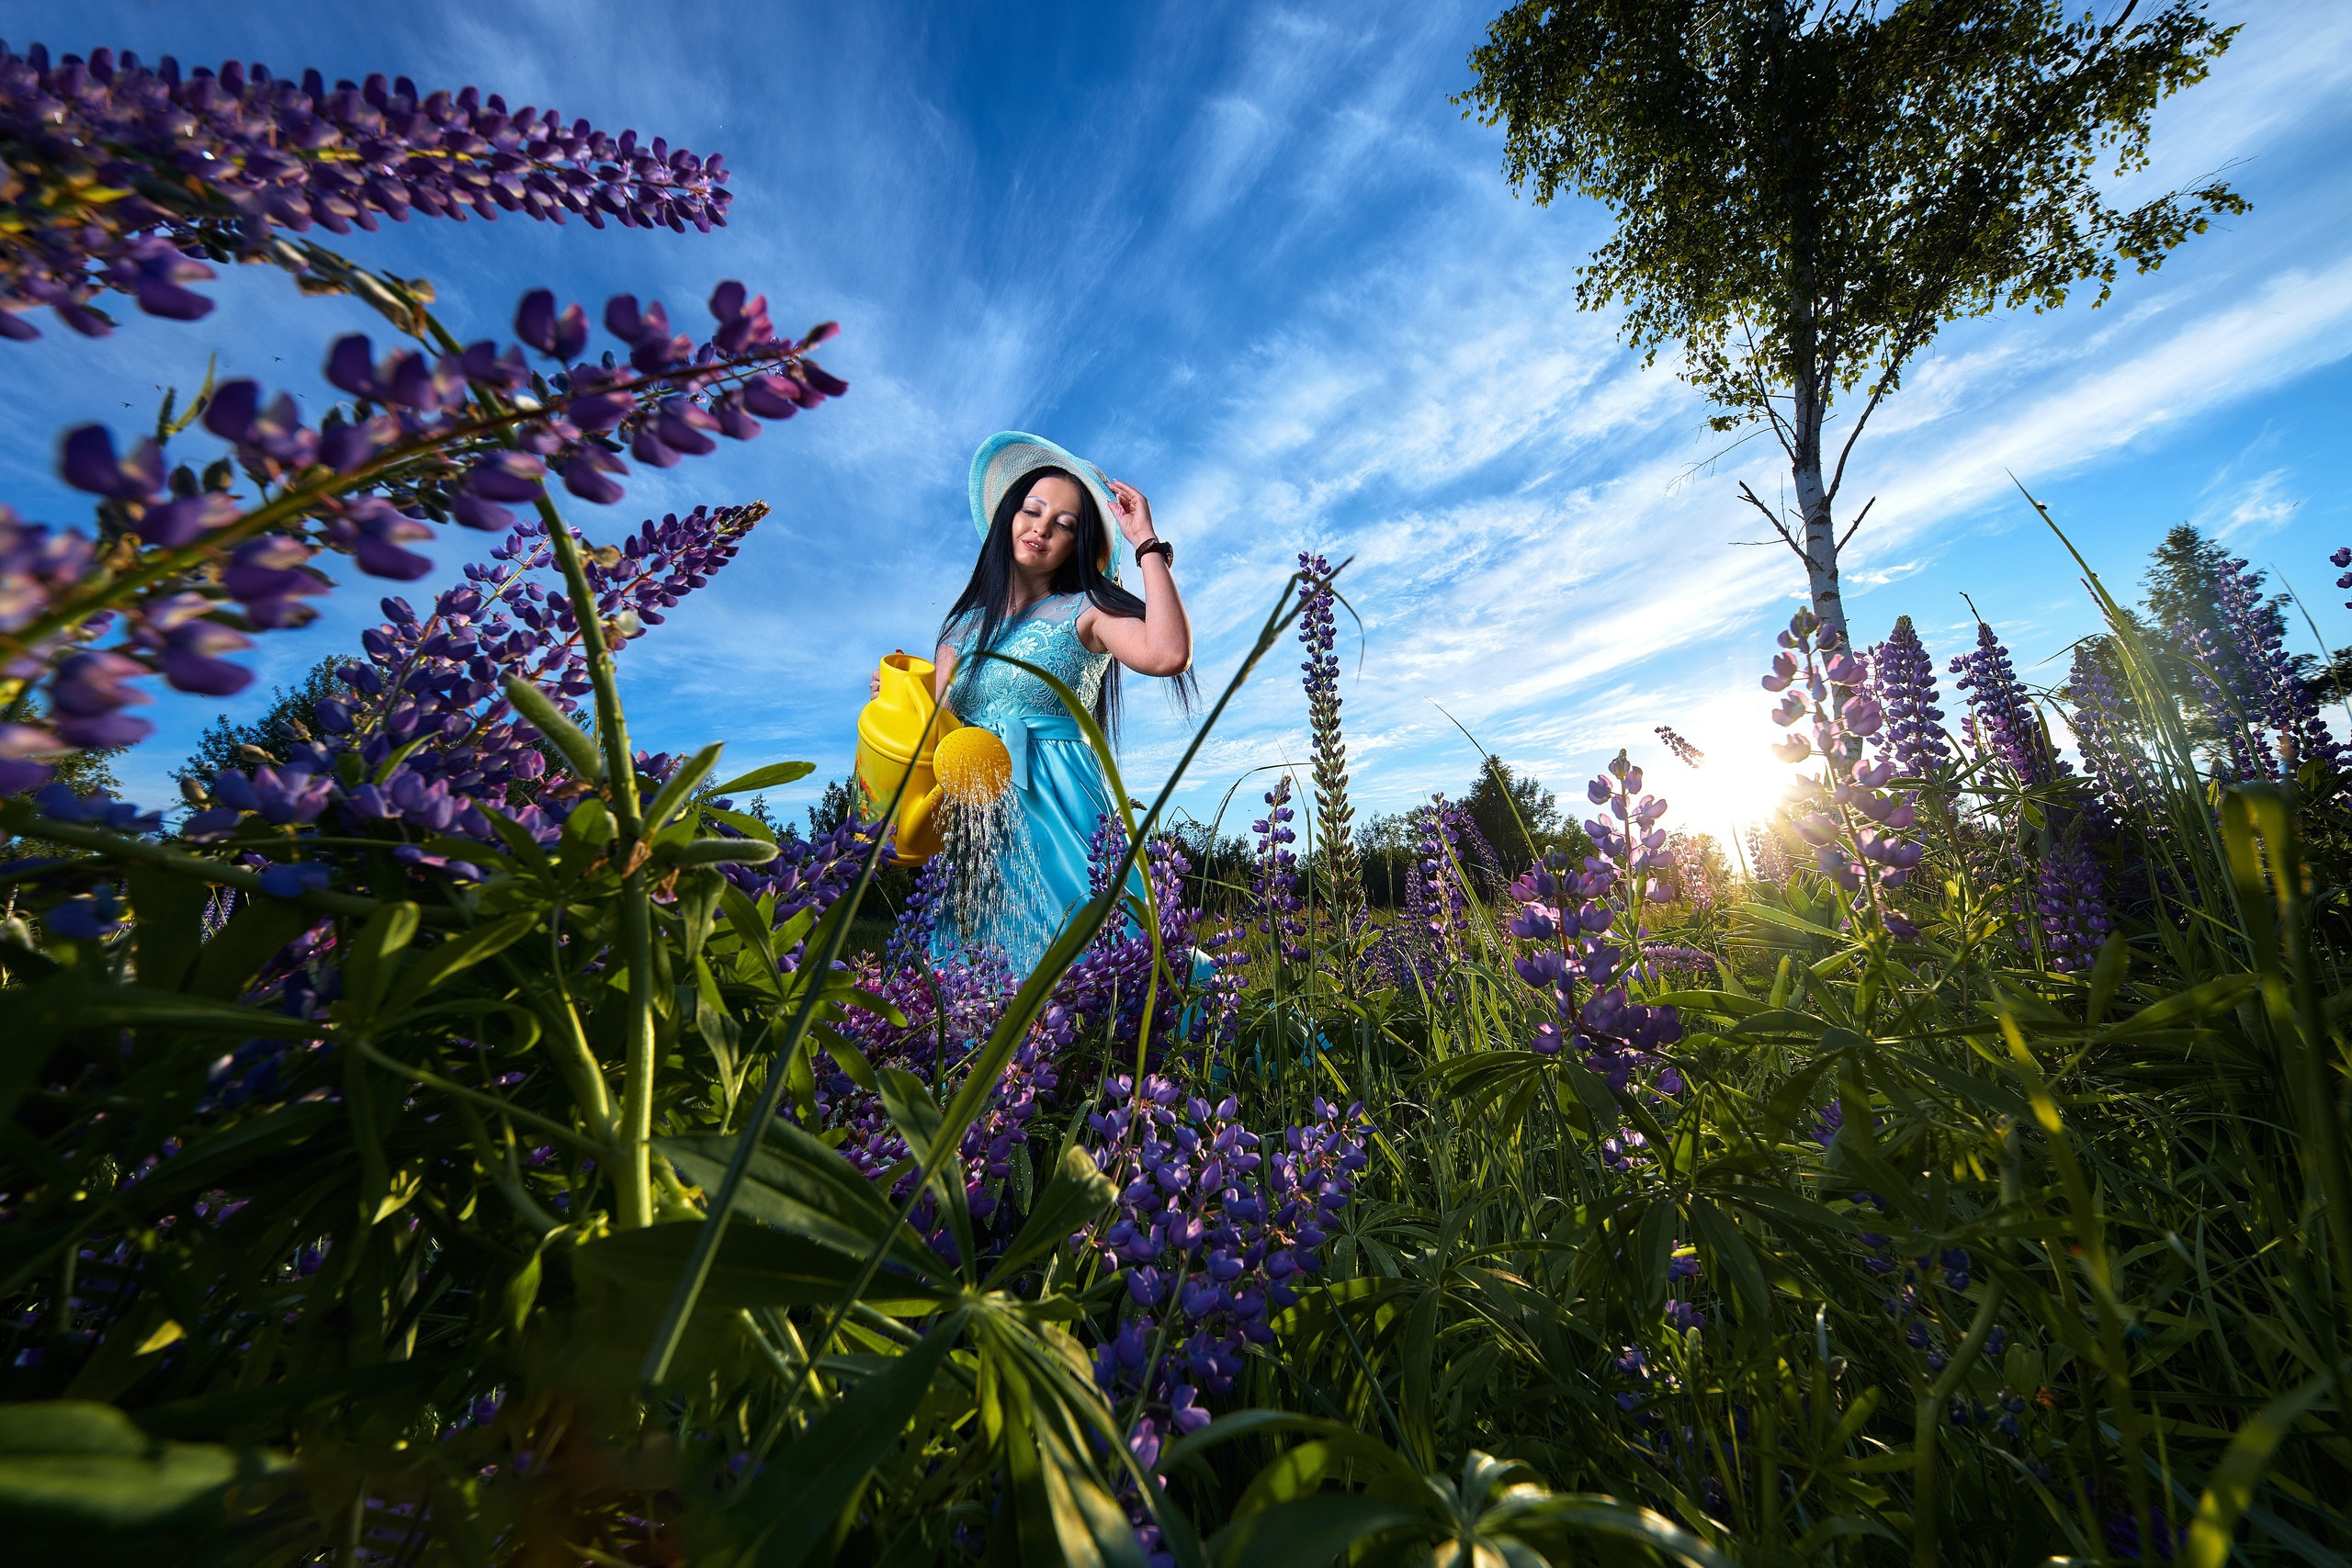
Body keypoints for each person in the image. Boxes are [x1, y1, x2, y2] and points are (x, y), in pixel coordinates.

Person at [873, 431, 1194, 970]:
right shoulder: (961, 626)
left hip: (1062, 803)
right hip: (976, 807)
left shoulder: (1087, 609)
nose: (1042, 528)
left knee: (1099, 959)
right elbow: (932, 728)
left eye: (1065, 524)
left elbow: (1168, 653)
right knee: (975, 969)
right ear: (1009, 518)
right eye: (1033, 510)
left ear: (1078, 545)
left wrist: (1145, 542)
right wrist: (897, 696)